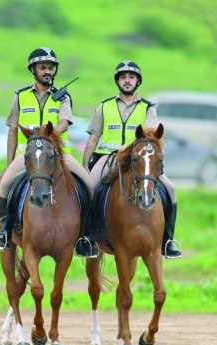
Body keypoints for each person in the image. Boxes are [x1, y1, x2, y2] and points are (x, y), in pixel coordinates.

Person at [0, 47, 99, 258]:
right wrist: (9, 161)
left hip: (59, 153)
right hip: (26, 154)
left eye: (50, 68)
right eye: (43, 68)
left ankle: (86, 236)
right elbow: (12, 130)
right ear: (34, 70)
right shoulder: (20, 96)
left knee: (90, 185)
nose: (47, 71)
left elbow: (65, 123)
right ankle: (2, 231)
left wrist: (47, 138)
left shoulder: (63, 98)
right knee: (4, 184)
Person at [82, 60, 183, 259]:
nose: (127, 80)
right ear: (117, 81)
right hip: (106, 157)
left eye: (131, 77)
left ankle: (168, 240)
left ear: (138, 81)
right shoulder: (104, 106)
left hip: (138, 157)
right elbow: (94, 137)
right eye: (123, 77)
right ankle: (87, 238)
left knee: (170, 188)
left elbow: (151, 131)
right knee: (90, 187)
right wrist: (85, 163)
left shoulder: (148, 107)